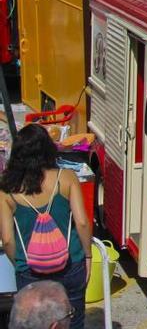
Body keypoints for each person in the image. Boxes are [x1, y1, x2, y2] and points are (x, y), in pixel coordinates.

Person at [0, 125, 92, 329]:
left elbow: (7, 239)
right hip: (70, 264)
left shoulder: (7, 190)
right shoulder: (66, 177)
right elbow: (83, 222)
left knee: (32, 323)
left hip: (29, 270)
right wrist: (87, 256)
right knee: (73, 320)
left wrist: (22, 264)